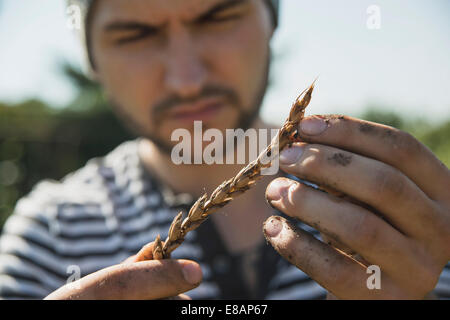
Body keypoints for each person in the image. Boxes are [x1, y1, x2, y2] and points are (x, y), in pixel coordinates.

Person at [0, 0, 449, 300]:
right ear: (92, 60)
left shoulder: (400, 211)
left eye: (217, 17)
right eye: (134, 35)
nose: (187, 78)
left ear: (270, 19)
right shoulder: (50, 234)